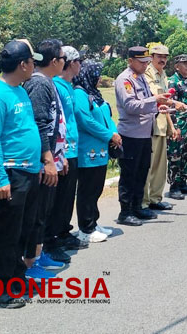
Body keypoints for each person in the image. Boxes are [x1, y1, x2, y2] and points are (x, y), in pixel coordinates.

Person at [0, 39, 43, 308]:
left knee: (23, 230)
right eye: (32, 61)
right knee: (7, 233)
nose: (34, 66)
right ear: (22, 64)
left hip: (28, 172)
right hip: (10, 174)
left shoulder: (20, 90)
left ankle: (17, 277)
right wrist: (0, 178)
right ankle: (1, 288)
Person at [23, 40, 75, 275]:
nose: (65, 63)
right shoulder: (38, 84)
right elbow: (39, 124)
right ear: (54, 61)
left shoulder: (49, 82)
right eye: (63, 59)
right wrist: (48, 159)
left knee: (43, 213)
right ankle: (30, 262)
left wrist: (59, 155)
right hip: (42, 162)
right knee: (37, 215)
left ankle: (38, 254)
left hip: (52, 158)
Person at [114, 46, 173, 225]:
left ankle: (137, 207)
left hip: (144, 133)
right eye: (142, 62)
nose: (145, 65)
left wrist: (158, 107)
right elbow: (131, 106)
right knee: (129, 175)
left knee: (142, 172)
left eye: (147, 62)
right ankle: (125, 212)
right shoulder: (125, 79)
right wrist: (154, 100)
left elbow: (146, 103)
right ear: (130, 61)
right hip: (131, 134)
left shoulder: (140, 78)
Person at [73, 60, 122, 241]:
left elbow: (105, 116)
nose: (100, 77)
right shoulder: (80, 93)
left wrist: (114, 133)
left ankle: (93, 222)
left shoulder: (95, 94)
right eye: (97, 73)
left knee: (96, 190)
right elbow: (85, 120)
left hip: (101, 152)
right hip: (88, 152)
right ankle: (85, 229)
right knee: (87, 191)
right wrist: (109, 135)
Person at [46, 46, 85, 250]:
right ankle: (56, 234)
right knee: (60, 197)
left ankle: (64, 230)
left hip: (73, 147)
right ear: (70, 63)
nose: (81, 65)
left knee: (69, 195)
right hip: (64, 150)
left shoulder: (70, 86)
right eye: (79, 61)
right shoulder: (57, 86)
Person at [143, 44, 178, 210]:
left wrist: (171, 127)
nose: (163, 60)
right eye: (159, 57)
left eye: (165, 57)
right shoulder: (147, 74)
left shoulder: (163, 75)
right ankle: (143, 202)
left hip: (162, 125)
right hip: (150, 125)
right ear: (151, 57)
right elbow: (156, 98)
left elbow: (165, 108)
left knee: (160, 166)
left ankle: (155, 199)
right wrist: (176, 103)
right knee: (148, 166)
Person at [167, 55, 187, 199]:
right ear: (177, 66)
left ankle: (183, 181)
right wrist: (174, 126)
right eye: (184, 64)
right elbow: (170, 105)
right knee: (176, 155)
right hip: (179, 126)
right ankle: (174, 186)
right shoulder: (173, 82)